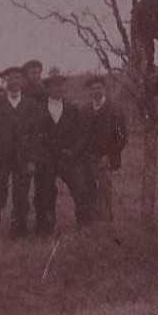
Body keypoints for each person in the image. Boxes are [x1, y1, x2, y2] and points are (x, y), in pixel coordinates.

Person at [0, 66, 40, 239]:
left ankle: (19, 232)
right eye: (11, 78)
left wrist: (32, 160)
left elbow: (36, 135)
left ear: (22, 81)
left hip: (23, 159)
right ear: (5, 81)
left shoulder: (31, 104)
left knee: (21, 196)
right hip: (0, 158)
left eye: (18, 78)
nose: (15, 82)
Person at [33, 72, 92, 232]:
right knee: (45, 192)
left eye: (60, 85)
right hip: (46, 159)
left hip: (67, 158)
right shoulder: (38, 109)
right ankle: (45, 228)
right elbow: (33, 136)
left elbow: (81, 135)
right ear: (48, 88)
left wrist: (73, 151)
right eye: (54, 86)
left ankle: (84, 225)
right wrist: (41, 155)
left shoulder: (72, 109)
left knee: (80, 187)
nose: (57, 89)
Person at [80, 76, 129, 220]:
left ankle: (106, 219)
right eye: (94, 88)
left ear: (104, 89)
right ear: (90, 91)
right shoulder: (85, 110)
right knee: (89, 188)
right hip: (88, 157)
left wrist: (109, 155)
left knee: (104, 189)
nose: (96, 91)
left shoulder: (114, 110)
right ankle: (92, 218)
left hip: (106, 157)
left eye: (99, 88)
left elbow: (122, 137)